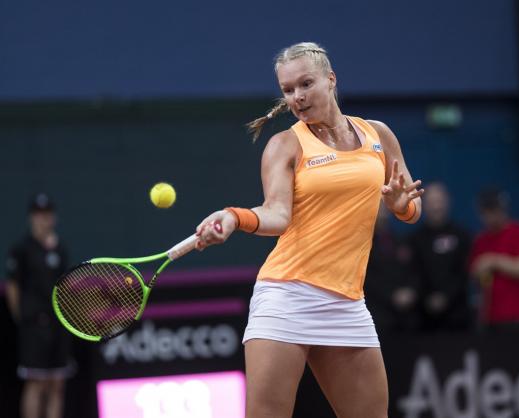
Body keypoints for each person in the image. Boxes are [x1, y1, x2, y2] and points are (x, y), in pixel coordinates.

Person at [194, 42, 424, 418]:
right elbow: (276, 214)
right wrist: (235, 217)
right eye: (287, 90)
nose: (296, 97)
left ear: (330, 80)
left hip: (347, 303)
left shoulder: (378, 135)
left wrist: (402, 207)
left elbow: (411, 207)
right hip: (286, 297)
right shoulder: (285, 145)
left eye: (305, 84)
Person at [5, 193, 74, 418]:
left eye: (47, 215)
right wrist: (24, 318)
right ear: (32, 218)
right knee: (36, 383)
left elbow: (66, 285)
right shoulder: (21, 249)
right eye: (39, 215)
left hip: (59, 326)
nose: (44, 220)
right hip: (34, 327)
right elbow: (13, 287)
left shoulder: (60, 249)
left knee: (56, 384)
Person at [408, 182, 472, 332]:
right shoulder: (415, 240)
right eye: (432, 202)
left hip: (457, 317)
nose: (436, 207)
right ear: (424, 205)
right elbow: (414, 273)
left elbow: (465, 271)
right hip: (424, 318)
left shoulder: (462, 236)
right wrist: (427, 298)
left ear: (447, 202)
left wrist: (446, 297)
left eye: (439, 201)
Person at [469, 188, 519, 329]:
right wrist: (479, 270)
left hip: (517, 316)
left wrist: (493, 261)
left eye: (494, 209)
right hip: (490, 317)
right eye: (486, 211)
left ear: (503, 209)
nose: (491, 215)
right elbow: (475, 272)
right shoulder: (481, 240)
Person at [365, 203, 419, 336]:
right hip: (377, 317)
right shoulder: (363, 243)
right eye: (377, 204)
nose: (382, 208)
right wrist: (392, 295)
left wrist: (411, 291)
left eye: (384, 204)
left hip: (404, 318)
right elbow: (368, 277)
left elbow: (414, 271)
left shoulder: (401, 240)